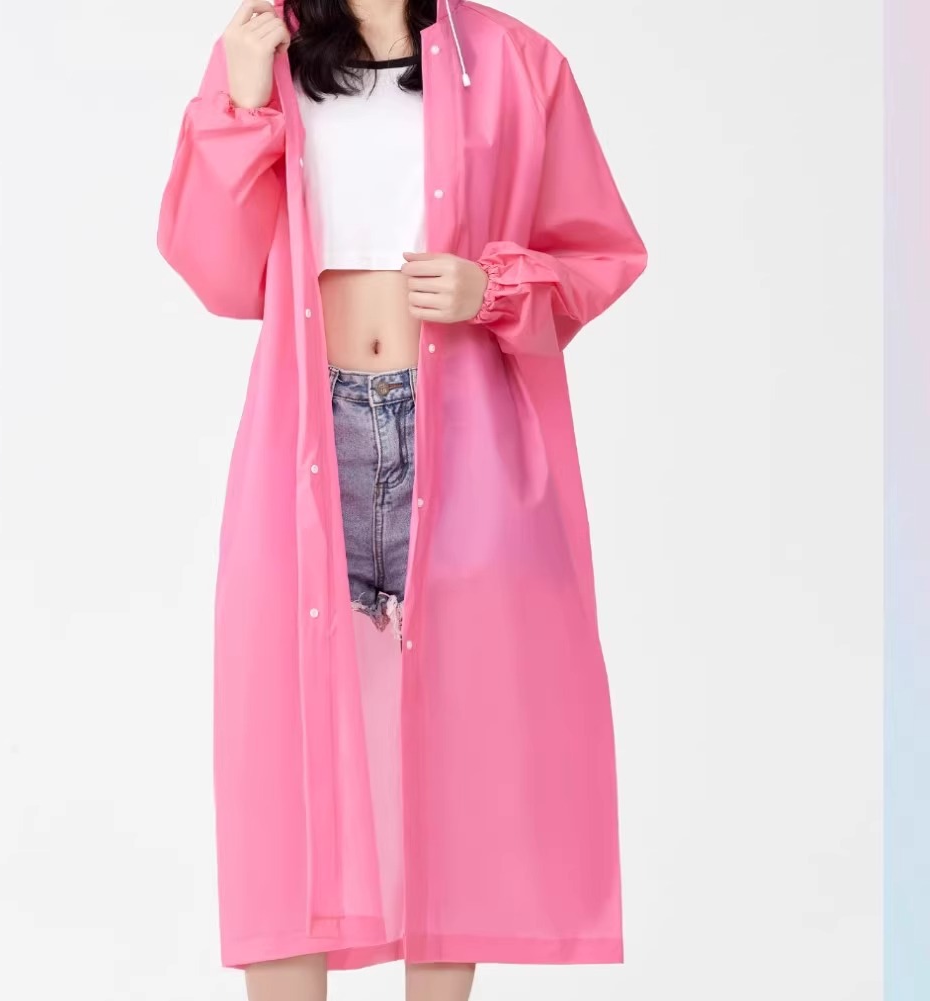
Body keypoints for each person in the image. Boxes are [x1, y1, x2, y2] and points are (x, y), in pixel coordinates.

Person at [157, 0, 647, 997]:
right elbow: (219, 273)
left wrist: (492, 288)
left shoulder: (516, 64)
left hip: (463, 433)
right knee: (289, 755)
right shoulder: (264, 52)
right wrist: (241, 111)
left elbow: (600, 252)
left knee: (456, 743)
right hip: (308, 430)